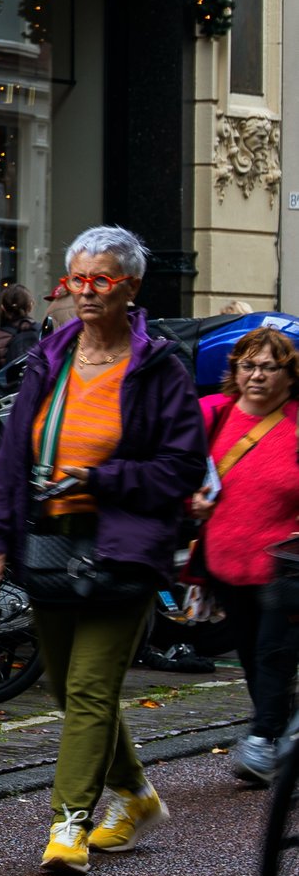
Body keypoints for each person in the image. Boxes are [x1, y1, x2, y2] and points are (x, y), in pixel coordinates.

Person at [0, 227, 206, 875]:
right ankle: (134, 794)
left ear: (130, 287)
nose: (84, 291)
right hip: (50, 541)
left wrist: (100, 478)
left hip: (125, 548)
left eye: (99, 279)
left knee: (89, 686)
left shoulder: (160, 366)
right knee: (67, 688)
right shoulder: (50, 356)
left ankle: (68, 822)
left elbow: (182, 467)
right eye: (76, 278)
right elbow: (11, 457)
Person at [188, 325, 299, 785]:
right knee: (253, 655)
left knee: (274, 652)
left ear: (289, 375)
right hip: (228, 565)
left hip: (285, 569)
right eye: (247, 365)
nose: (256, 375)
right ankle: (281, 737)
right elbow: (184, 477)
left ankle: (262, 737)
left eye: (268, 367)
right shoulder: (212, 414)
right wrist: (191, 501)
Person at [0, 282, 43, 389]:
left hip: (9, 397)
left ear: (3, 308)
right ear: (30, 305)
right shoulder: (42, 331)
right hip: (37, 394)